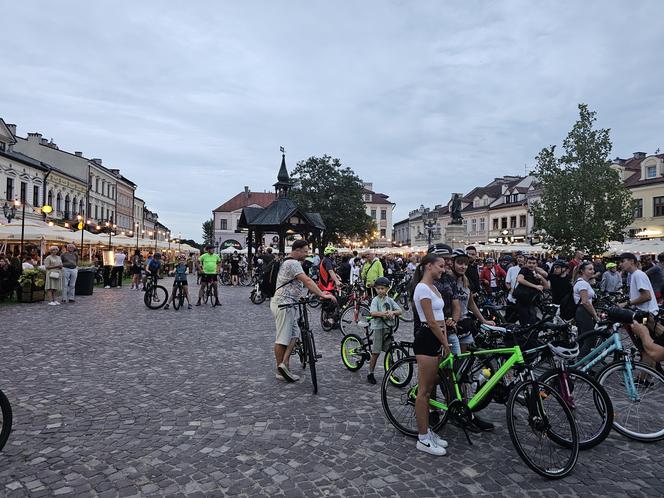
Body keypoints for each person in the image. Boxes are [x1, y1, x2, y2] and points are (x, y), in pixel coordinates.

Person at [271, 240, 335, 383]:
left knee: (294, 334)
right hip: (284, 304)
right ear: (297, 250)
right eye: (305, 251)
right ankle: (279, 370)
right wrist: (322, 294)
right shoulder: (292, 263)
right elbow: (307, 280)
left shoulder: (291, 263)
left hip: (290, 302)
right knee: (282, 339)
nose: (307, 254)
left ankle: (284, 364)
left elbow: (295, 283)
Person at [411, 252, 450, 456]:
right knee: (424, 391)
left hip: (436, 337)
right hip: (427, 338)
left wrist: (445, 335)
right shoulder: (422, 288)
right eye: (441, 266)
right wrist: (445, 342)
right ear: (429, 266)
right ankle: (423, 438)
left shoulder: (433, 287)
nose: (443, 270)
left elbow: (441, 317)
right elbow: (431, 321)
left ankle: (428, 431)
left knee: (431, 386)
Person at [367, 276, 402, 385]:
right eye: (378, 288)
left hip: (388, 328)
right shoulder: (375, 300)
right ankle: (370, 373)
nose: (380, 290)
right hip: (378, 328)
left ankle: (390, 373)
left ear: (387, 289)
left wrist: (393, 312)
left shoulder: (390, 300)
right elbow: (372, 313)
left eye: (383, 288)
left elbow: (399, 311)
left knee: (390, 351)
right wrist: (384, 314)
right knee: (375, 352)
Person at [573, 261, 600, 355]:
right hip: (583, 311)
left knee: (583, 338)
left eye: (593, 269)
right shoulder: (582, 284)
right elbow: (585, 302)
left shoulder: (583, 282)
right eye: (590, 269)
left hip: (583, 311)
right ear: (582, 271)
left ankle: (579, 361)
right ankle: (582, 362)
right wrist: (595, 315)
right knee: (590, 339)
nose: (593, 271)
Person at [515, 255, 550, 326]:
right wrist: (535, 286)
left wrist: (541, 278)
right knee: (526, 324)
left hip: (532, 303)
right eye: (529, 263)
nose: (531, 265)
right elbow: (520, 279)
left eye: (533, 263)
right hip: (523, 302)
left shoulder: (536, 274)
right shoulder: (524, 270)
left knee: (532, 323)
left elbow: (547, 287)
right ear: (526, 263)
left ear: (536, 264)